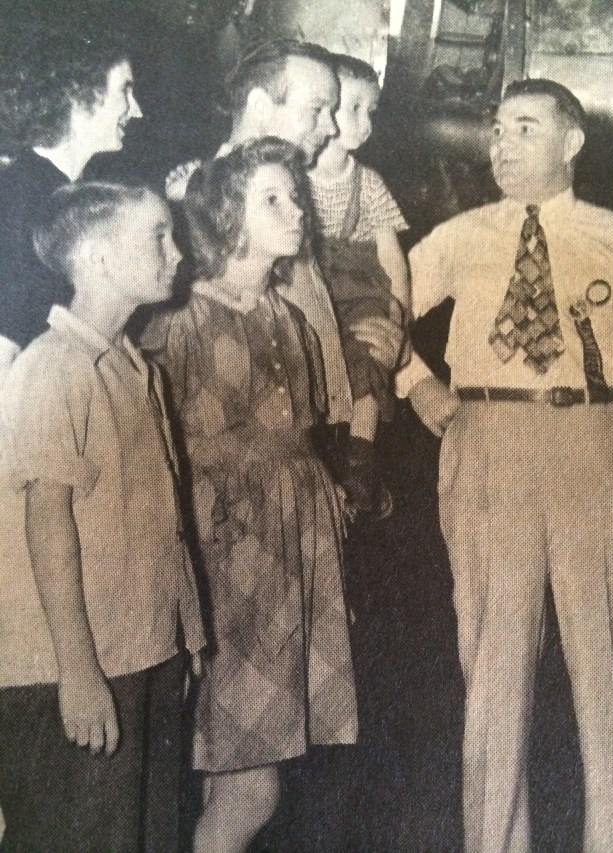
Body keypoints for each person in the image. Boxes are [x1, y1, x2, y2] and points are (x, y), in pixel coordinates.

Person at [399, 77, 613, 852]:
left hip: (593, 447)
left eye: (525, 128)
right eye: (497, 130)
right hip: (488, 443)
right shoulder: (456, 237)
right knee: (494, 672)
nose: (502, 145)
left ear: (572, 142)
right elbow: (368, 310)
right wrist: (415, 382)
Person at [143, 137, 358, 853]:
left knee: (232, 774)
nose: (295, 209)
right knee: (252, 788)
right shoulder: (179, 322)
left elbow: (303, 434)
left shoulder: (286, 317)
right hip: (224, 557)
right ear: (225, 211)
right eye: (272, 198)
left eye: (294, 195)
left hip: (291, 549)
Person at [0, 182, 205, 852]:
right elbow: (46, 522)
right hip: (72, 668)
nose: (177, 253)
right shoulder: (54, 367)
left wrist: (185, 634)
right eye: (157, 235)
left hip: (140, 651)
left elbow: (159, 521)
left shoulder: (132, 366)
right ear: (95, 257)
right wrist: (79, 672)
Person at [165, 39, 406, 433]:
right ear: (261, 106)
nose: (329, 128)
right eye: (316, 110)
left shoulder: (295, 194)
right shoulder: (193, 206)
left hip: (322, 429)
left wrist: (391, 330)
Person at [0, 25, 142, 380]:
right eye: (125, 90)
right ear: (81, 98)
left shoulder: (60, 191)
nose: (136, 110)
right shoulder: (27, 200)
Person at [308, 53, 410, 516]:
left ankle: (361, 459)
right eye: (354, 108)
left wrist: (400, 320)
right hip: (309, 288)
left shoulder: (368, 183)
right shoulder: (292, 176)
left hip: (358, 288)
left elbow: (392, 258)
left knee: (369, 354)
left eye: (371, 111)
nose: (365, 123)